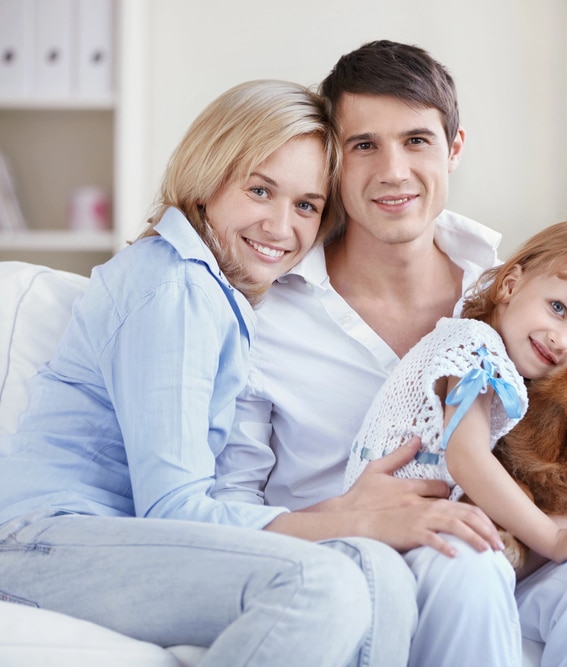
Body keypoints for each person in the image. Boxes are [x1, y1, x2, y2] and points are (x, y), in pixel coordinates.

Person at [216, 40, 567, 666]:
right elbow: (224, 512)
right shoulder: (265, 309)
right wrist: (346, 514)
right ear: (334, 162)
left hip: (496, 550)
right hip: (349, 564)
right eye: (365, 145)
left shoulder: (529, 295)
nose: (394, 171)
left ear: (454, 149)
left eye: (417, 140)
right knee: (466, 561)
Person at [0, 79, 413, 667]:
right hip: (41, 543)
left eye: (306, 205)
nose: (279, 225)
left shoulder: (214, 293)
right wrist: (348, 515)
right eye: (260, 189)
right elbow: (174, 509)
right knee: (321, 583)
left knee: (378, 571)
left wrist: (352, 520)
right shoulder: (174, 284)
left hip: (97, 544)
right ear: (209, 174)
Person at [343, 219, 567, 566]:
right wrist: (553, 537)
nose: (561, 341)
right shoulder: (477, 347)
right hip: (386, 534)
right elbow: (466, 457)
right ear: (510, 285)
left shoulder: (498, 358)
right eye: (558, 308)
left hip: (412, 527)